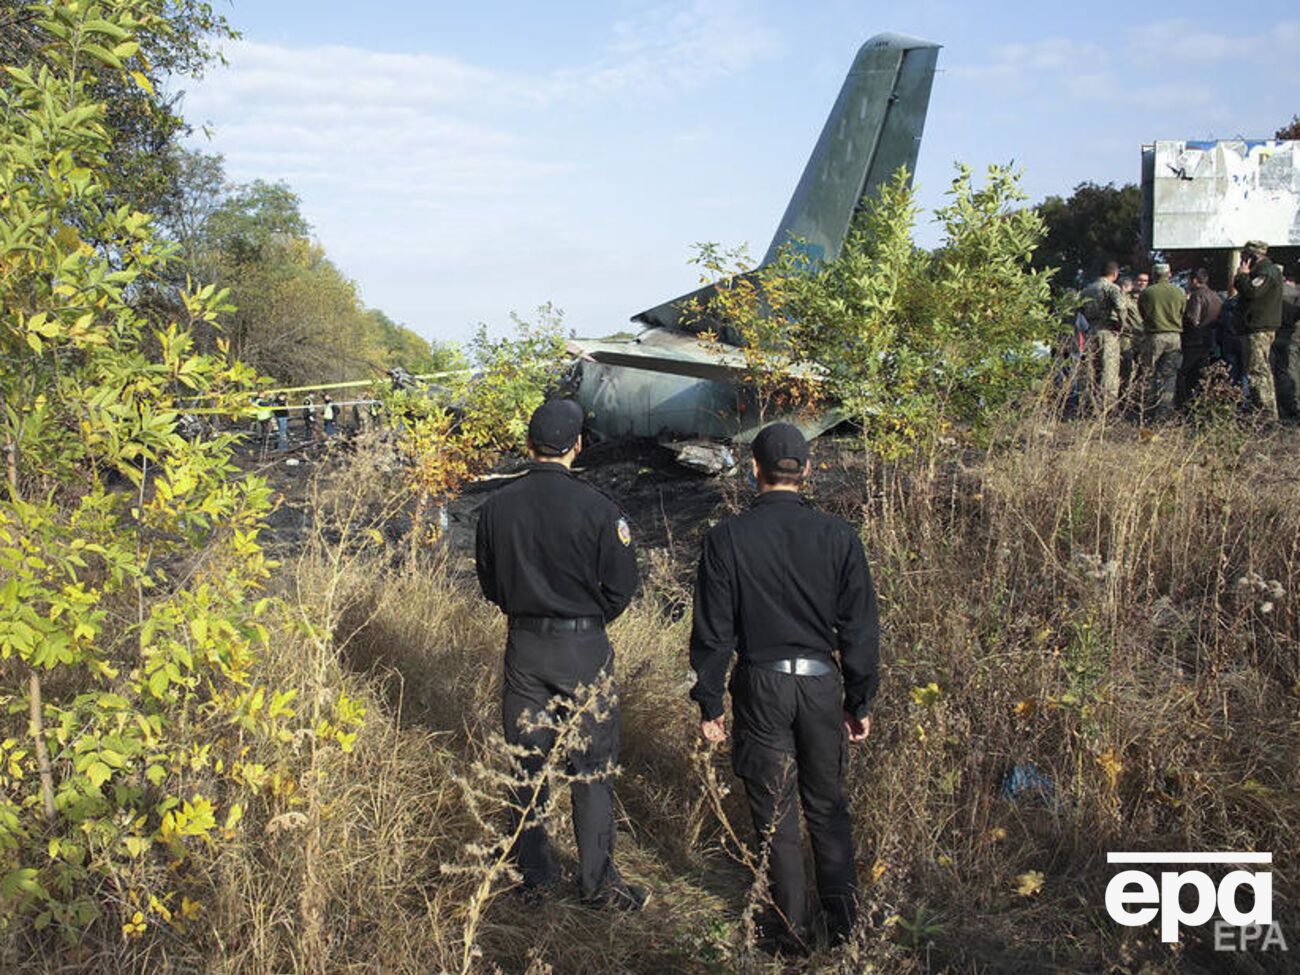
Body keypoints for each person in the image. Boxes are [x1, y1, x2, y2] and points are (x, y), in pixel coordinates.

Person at [689, 423, 879, 956]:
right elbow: (861, 629)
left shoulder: (727, 537)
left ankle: (788, 936)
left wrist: (709, 700)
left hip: (760, 685)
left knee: (775, 813)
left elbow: (713, 631)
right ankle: (845, 931)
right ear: (808, 471)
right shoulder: (840, 537)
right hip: (821, 684)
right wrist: (859, 699)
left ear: (754, 470)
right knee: (828, 807)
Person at [474, 399, 644, 909]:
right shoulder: (599, 509)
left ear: (529, 445)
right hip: (583, 647)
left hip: (524, 646)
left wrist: (527, 610)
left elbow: (489, 583)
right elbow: (621, 587)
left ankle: (536, 876)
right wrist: (586, 622)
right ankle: (597, 883)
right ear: (578, 445)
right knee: (590, 767)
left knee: (527, 763)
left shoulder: (496, 506)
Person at [1234, 240, 1284, 419]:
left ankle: (1265, 414)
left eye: (1244, 256)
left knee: (1257, 371)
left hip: (1258, 328)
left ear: (1252, 256)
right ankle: (1265, 412)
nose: (1241, 260)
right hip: (1257, 327)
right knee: (1261, 370)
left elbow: (1252, 292)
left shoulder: (1265, 272)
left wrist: (1241, 276)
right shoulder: (1267, 271)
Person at [1138, 263, 1186, 419]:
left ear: (1153, 275)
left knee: (1149, 372)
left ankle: (1148, 409)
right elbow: (1182, 312)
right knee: (1169, 375)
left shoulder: (1147, 293)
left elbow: (1142, 313)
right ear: (1169, 274)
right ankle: (1164, 411)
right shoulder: (1179, 292)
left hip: (1154, 335)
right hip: (1174, 336)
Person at [1079, 260, 1126, 411]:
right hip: (1107, 332)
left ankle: (1088, 404)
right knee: (1109, 369)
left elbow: (1079, 310)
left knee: (1091, 368)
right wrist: (1121, 326)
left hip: (1090, 331)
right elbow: (1121, 308)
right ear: (1115, 274)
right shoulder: (1112, 288)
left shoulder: (1086, 290)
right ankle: (1108, 406)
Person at [1179, 267, 1223, 404]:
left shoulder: (1197, 296)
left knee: (1184, 373)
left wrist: (1182, 316)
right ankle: (1199, 403)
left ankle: (1183, 405)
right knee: (1201, 374)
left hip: (1194, 340)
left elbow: (1193, 320)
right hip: (1209, 339)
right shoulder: (1216, 296)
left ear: (1194, 280)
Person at [1271, 266, 1300, 417]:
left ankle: (1288, 407)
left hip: (1282, 336)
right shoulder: (1294, 294)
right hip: (1290, 336)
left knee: (1284, 374)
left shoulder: (1274, 294)